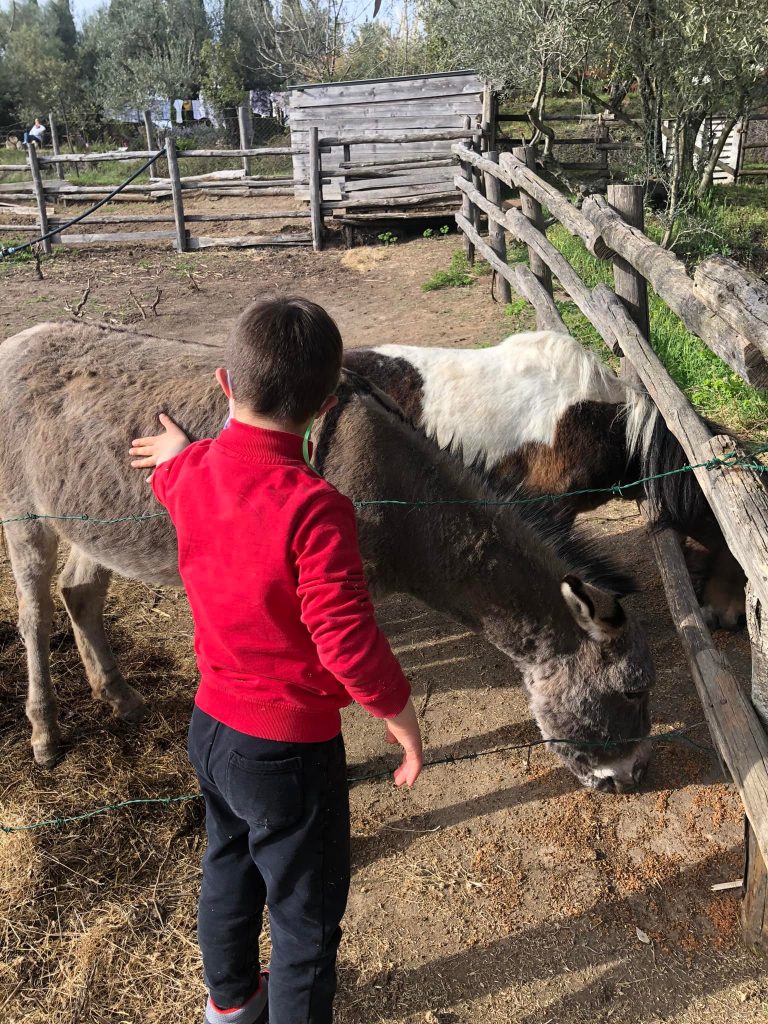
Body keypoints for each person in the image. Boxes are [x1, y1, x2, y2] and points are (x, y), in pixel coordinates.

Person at [128, 295, 423, 1024]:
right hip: (289, 755)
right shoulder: (316, 508)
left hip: (213, 731)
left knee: (226, 866)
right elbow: (344, 639)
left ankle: (229, 1003)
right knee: (306, 920)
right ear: (326, 407)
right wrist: (400, 713)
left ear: (226, 386)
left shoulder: (192, 473)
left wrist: (176, 452)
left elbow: (177, 476)